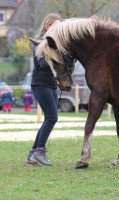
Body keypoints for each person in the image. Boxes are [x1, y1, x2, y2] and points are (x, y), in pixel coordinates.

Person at [26, 13, 62, 166]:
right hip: (40, 84)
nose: (59, 27)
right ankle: (40, 151)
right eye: (56, 24)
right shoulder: (39, 41)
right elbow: (41, 64)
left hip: (51, 84)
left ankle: (33, 153)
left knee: (50, 118)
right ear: (48, 25)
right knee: (52, 118)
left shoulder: (57, 43)